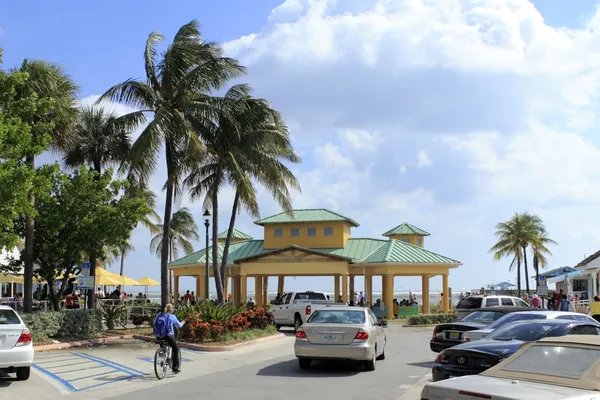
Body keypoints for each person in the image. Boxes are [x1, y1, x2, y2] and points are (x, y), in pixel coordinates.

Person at [154, 303, 184, 373]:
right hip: (168, 336)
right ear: (171, 309)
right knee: (176, 348)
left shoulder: (158, 315)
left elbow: (154, 324)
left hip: (158, 336)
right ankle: (175, 368)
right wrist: (183, 322)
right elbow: (179, 325)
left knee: (163, 345)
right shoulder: (171, 316)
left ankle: (162, 356)